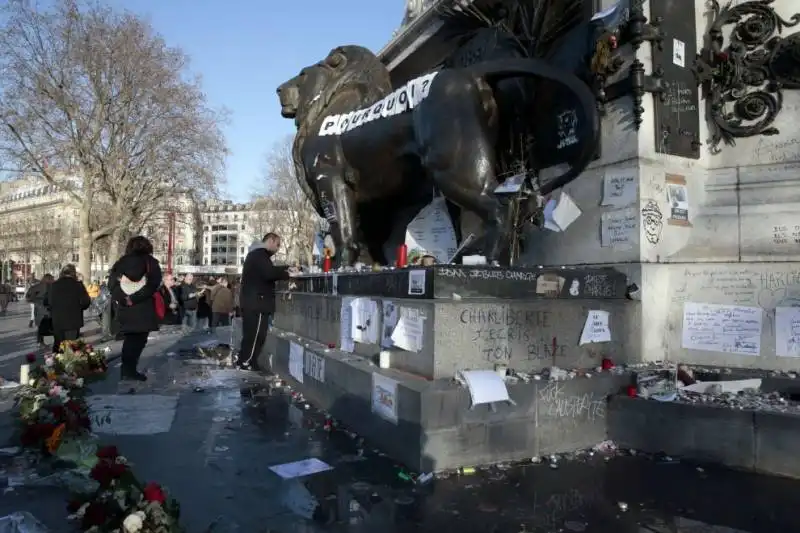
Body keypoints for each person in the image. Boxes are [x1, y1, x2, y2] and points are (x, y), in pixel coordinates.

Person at [237, 232, 298, 369]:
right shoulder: (260, 255)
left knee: (251, 335)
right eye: (277, 245)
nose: (278, 249)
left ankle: (246, 361)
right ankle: (246, 362)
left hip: (252, 302)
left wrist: (285, 267)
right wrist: (288, 274)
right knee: (256, 335)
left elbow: (268, 270)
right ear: (270, 241)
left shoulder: (256, 255)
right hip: (257, 303)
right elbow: (269, 273)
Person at [108, 235, 162, 381]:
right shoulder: (150, 262)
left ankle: (127, 370)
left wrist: (124, 299)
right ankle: (130, 371)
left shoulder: (120, 263)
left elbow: (112, 285)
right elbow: (152, 285)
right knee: (139, 340)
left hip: (125, 309)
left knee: (129, 339)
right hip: (143, 307)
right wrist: (133, 299)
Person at [45, 265, 91, 353]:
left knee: (58, 344)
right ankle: (72, 364)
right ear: (74, 273)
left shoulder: (53, 286)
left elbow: (48, 302)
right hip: (73, 321)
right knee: (72, 347)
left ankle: (56, 363)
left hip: (57, 321)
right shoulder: (78, 285)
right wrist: (78, 308)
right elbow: (86, 302)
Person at [26, 275, 53, 346]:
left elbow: (28, 297)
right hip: (49, 309)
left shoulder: (35, 287)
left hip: (38, 308)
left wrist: (35, 300)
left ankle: (40, 341)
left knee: (40, 325)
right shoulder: (53, 287)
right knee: (50, 325)